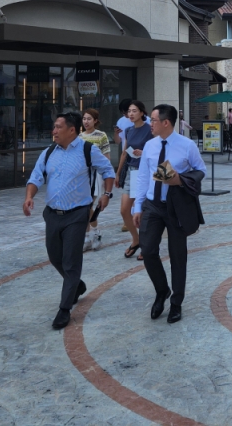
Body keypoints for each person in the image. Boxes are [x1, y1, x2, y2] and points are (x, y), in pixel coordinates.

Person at [23, 111, 116, 329]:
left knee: (71, 261)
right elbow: (36, 177)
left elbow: (107, 170)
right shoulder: (48, 153)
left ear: (71, 130)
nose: (53, 131)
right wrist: (29, 197)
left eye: (58, 127)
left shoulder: (87, 150)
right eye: (54, 127)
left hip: (77, 214)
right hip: (52, 214)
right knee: (55, 257)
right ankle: (77, 285)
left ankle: (64, 309)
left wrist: (107, 194)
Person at [132, 104, 206, 324]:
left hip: (176, 206)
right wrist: (138, 207)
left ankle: (176, 303)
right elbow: (143, 177)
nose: (150, 124)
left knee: (177, 255)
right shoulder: (149, 146)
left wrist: (180, 180)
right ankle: (162, 290)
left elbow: (201, 170)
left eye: (153, 120)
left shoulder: (187, 145)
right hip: (153, 206)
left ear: (166, 122)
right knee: (148, 250)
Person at [115, 101, 149, 260]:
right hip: (130, 171)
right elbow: (124, 153)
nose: (131, 114)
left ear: (142, 112)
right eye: (129, 111)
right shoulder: (128, 130)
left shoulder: (149, 129)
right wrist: (118, 172)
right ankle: (136, 240)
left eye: (134, 111)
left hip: (143, 173)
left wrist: (144, 152)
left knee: (140, 212)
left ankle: (146, 245)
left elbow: (156, 149)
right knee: (124, 210)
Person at [80, 108, 112, 252]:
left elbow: (106, 158)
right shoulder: (79, 137)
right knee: (84, 207)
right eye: (84, 118)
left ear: (95, 121)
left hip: (97, 176)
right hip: (83, 176)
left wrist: (106, 178)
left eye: (89, 119)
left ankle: (95, 233)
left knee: (89, 205)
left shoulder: (101, 136)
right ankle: (87, 236)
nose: (86, 121)